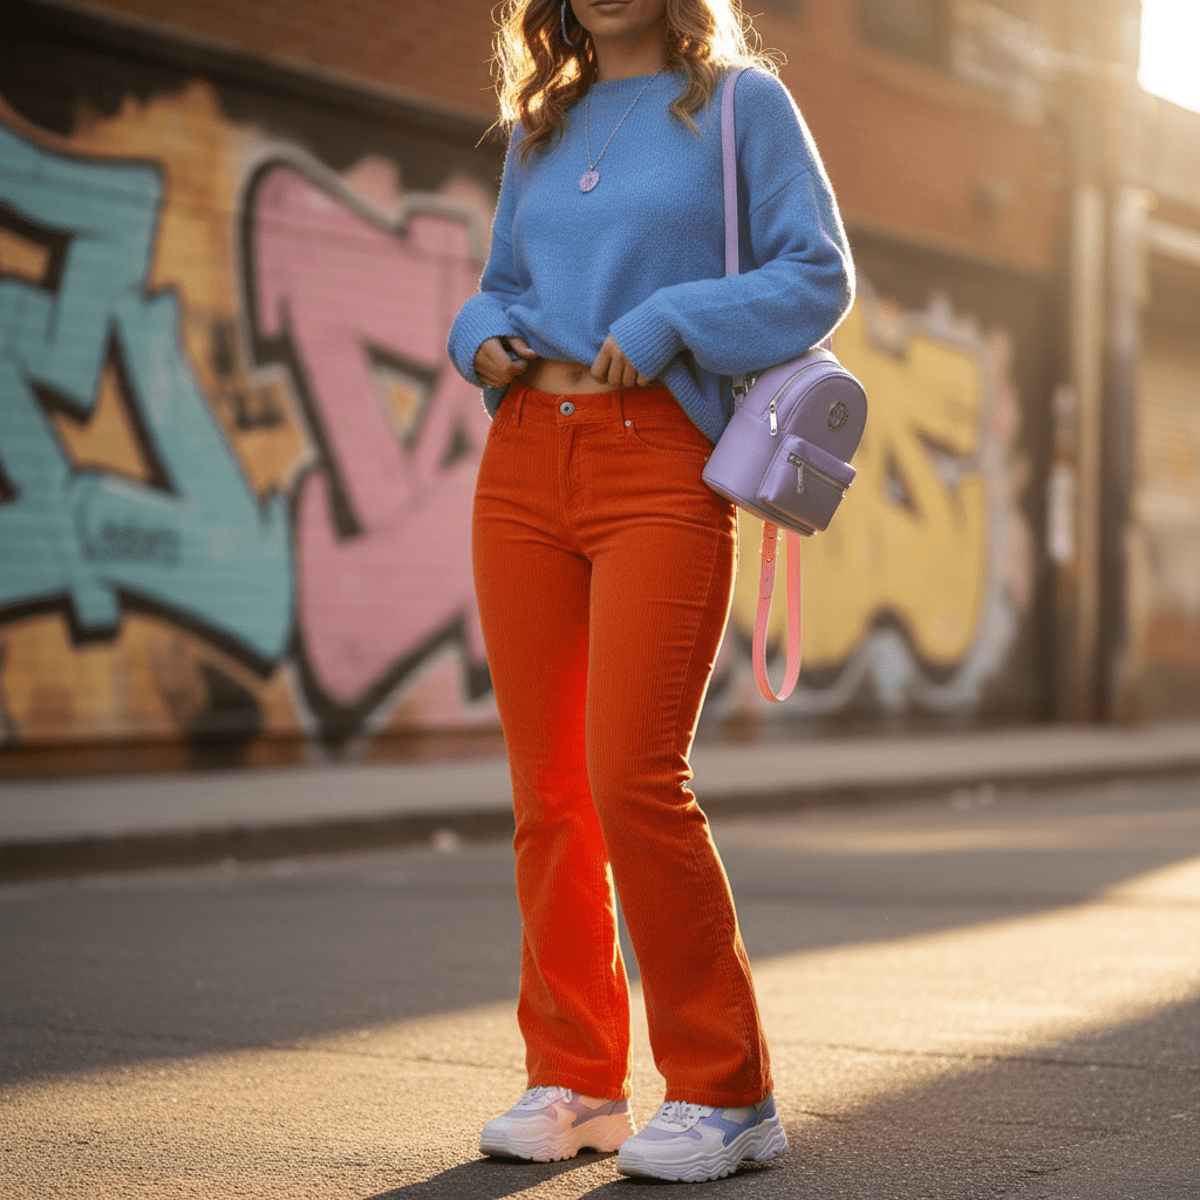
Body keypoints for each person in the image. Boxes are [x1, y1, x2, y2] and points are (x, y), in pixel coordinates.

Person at [447, 0, 853, 1182]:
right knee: (549, 794)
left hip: (658, 462)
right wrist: (479, 335)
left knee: (633, 778)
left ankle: (729, 1094)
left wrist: (676, 315)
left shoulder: (741, 106)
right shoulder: (542, 125)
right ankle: (574, 1081)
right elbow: (503, 281)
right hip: (524, 453)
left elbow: (815, 274)